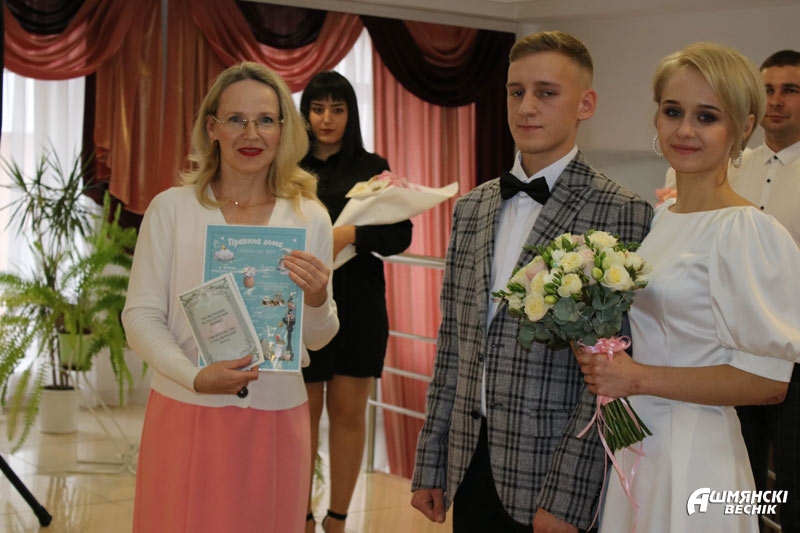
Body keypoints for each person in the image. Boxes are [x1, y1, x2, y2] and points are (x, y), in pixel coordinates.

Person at [410, 31, 653, 532]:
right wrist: (431, 460)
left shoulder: (622, 211)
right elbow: (453, 343)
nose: (526, 107)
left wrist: (569, 497)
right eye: (516, 91)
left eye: (546, 92)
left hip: (551, 469)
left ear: (585, 104)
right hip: (469, 460)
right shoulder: (472, 207)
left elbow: (616, 376)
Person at [574, 43, 800, 533]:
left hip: (698, 453)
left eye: (707, 117)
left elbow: (768, 383)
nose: (684, 130)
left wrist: (636, 378)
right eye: (673, 111)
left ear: (743, 127)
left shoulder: (747, 230)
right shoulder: (659, 219)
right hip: (639, 444)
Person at [122, 62, 339, 533]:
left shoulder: (309, 218)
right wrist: (194, 377)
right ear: (212, 127)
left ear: (283, 129)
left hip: (278, 417)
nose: (251, 133)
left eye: (265, 120)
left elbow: (317, 339)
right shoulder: (171, 210)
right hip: (186, 407)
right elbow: (140, 317)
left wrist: (318, 298)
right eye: (236, 119)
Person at [298, 71, 412, 533]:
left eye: (337, 109)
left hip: (359, 304)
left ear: (352, 114)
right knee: (301, 419)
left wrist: (350, 234)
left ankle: (338, 519)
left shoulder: (373, 166)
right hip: (301, 303)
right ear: (304, 113)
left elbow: (400, 234)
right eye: (318, 108)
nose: (326, 119)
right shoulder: (288, 167)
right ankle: (301, 516)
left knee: (348, 416)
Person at [729, 49, 800, 533]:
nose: (775, 101)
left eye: (789, 90)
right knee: (737, 477)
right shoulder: (730, 167)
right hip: (733, 349)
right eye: (768, 89)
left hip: (796, 354)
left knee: (792, 483)